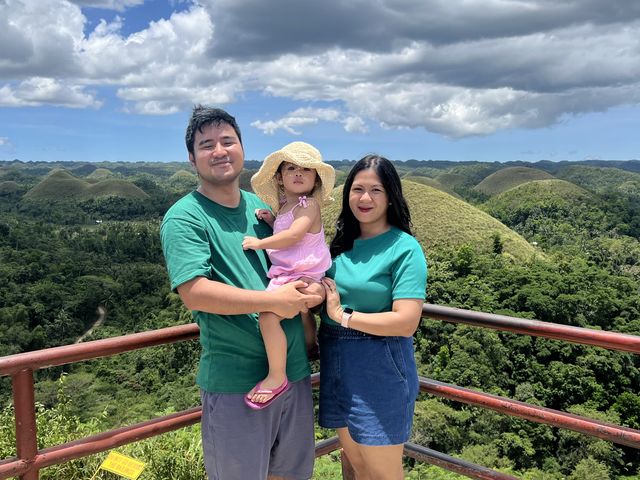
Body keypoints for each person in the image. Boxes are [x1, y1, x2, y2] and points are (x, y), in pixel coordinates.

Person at [160, 106, 320, 480]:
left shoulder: (261, 209)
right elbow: (195, 292)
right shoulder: (186, 217)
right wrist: (274, 302)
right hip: (237, 383)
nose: (219, 150)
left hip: (293, 374)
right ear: (191, 157)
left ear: (242, 148)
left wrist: (313, 291)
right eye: (206, 145)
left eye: (227, 141)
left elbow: (297, 260)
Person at [318, 154, 428, 480]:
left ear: (391, 196)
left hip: (380, 369)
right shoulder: (340, 245)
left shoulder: (404, 248)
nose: (365, 198)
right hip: (337, 364)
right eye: (357, 189)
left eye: (376, 190)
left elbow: (407, 321)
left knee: (383, 475)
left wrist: (343, 315)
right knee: (359, 467)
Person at [242, 141, 335, 409]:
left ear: (315, 178)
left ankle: (277, 375)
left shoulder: (309, 206)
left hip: (301, 273)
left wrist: (258, 243)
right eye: (291, 168)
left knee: (269, 317)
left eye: (306, 169)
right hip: (293, 273)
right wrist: (272, 221)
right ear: (280, 178)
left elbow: (294, 235)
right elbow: (287, 229)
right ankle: (310, 346)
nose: (298, 173)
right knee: (302, 312)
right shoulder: (286, 207)